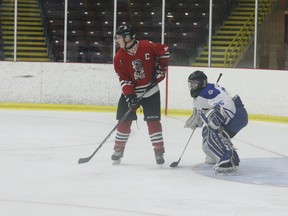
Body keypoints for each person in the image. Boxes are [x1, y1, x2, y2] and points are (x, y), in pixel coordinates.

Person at [112, 25, 170, 165]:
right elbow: (124, 79)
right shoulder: (119, 57)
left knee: (153, 122)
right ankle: (118, 149)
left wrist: (161, 70)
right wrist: (130, 97)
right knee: (124, 121)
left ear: (128, 37)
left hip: (151, 91)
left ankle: (159, 151)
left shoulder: (147, 46)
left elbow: (165, 51)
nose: (117, 40)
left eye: (119, 37)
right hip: (132, 92)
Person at [184, 70, 248, 174]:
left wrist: (218, 121)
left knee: (212, 130)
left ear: (201, 83)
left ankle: (227, 160)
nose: (191, 86)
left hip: (237, 116)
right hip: (234, 115)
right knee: (206, 133)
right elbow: (206, 108)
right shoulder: (202, 92)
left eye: (194, 83)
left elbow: (227, 105)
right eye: (190, 83)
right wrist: (200, 117)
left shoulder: (209, 92)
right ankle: (219, 157)